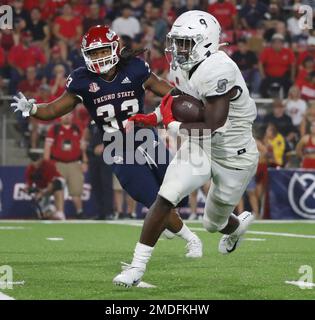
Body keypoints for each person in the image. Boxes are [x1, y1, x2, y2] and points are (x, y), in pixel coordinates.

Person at [10, 25, 202, 258]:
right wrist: (33, 109)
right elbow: (53, 109)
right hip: (116, 146)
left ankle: (169, 220)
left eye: (103, 51)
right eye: (94, 53)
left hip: (144, 136)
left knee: (177, 189)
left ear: (114, 48)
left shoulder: (135, 68)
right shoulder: (81, 80)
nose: (99, 57)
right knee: (152, 198)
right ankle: (191, 239)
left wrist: (191, 101)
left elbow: (169, 92)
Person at [113, 11, 259, 287]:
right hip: (200, 146)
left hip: (233, 154)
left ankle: (236, 227)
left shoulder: (219, 68)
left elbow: (213, 123)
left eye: (185, 43)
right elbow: (177, 103)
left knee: (212, 224)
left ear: (205, 42)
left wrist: (170, 127)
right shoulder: (182, 66)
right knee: (165, 196)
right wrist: (153, 118)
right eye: (177, 42)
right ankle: (137, 267)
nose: (178, 49)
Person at [44, 113, 87, 219]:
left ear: (72, 116)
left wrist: (85, 161)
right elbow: (47, 147)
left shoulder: (77, 128)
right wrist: (47, 164)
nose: (67, 117)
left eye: (69, 115)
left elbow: (83, 147)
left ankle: (79, 212)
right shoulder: (54, 129)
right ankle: (60, 212)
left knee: (76, 190)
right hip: (58, 163)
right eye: (65, 115)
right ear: (61, 116)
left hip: (74, 163)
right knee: (59, 188)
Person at [25, 149, 65, 220]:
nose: (35, 163)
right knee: (42, 215)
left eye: (36, 160)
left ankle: (60, 212)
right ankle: (51, 211)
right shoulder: (30, 169)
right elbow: (28, 184)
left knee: (57, 184)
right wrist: (28, 190)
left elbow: (51, 186)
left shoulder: (48, 165)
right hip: (42, 188)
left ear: (41, 159)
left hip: (54, 184)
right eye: (33, 161)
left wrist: (41, 193)